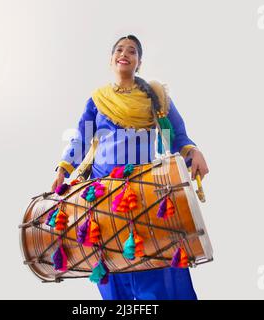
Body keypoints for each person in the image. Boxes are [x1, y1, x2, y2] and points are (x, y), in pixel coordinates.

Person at [51, 35, 209, 300]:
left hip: (141, 191)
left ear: (139, 62)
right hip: (100, 196)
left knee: (153, 260)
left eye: (132, 51)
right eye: (120, 49)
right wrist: (63, 170)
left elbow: (176, 136)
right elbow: (81, 137)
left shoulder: (155, 97)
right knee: (110, 269)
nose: (125, 53)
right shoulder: (97, 100)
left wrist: (193, 152)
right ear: (111, 59)